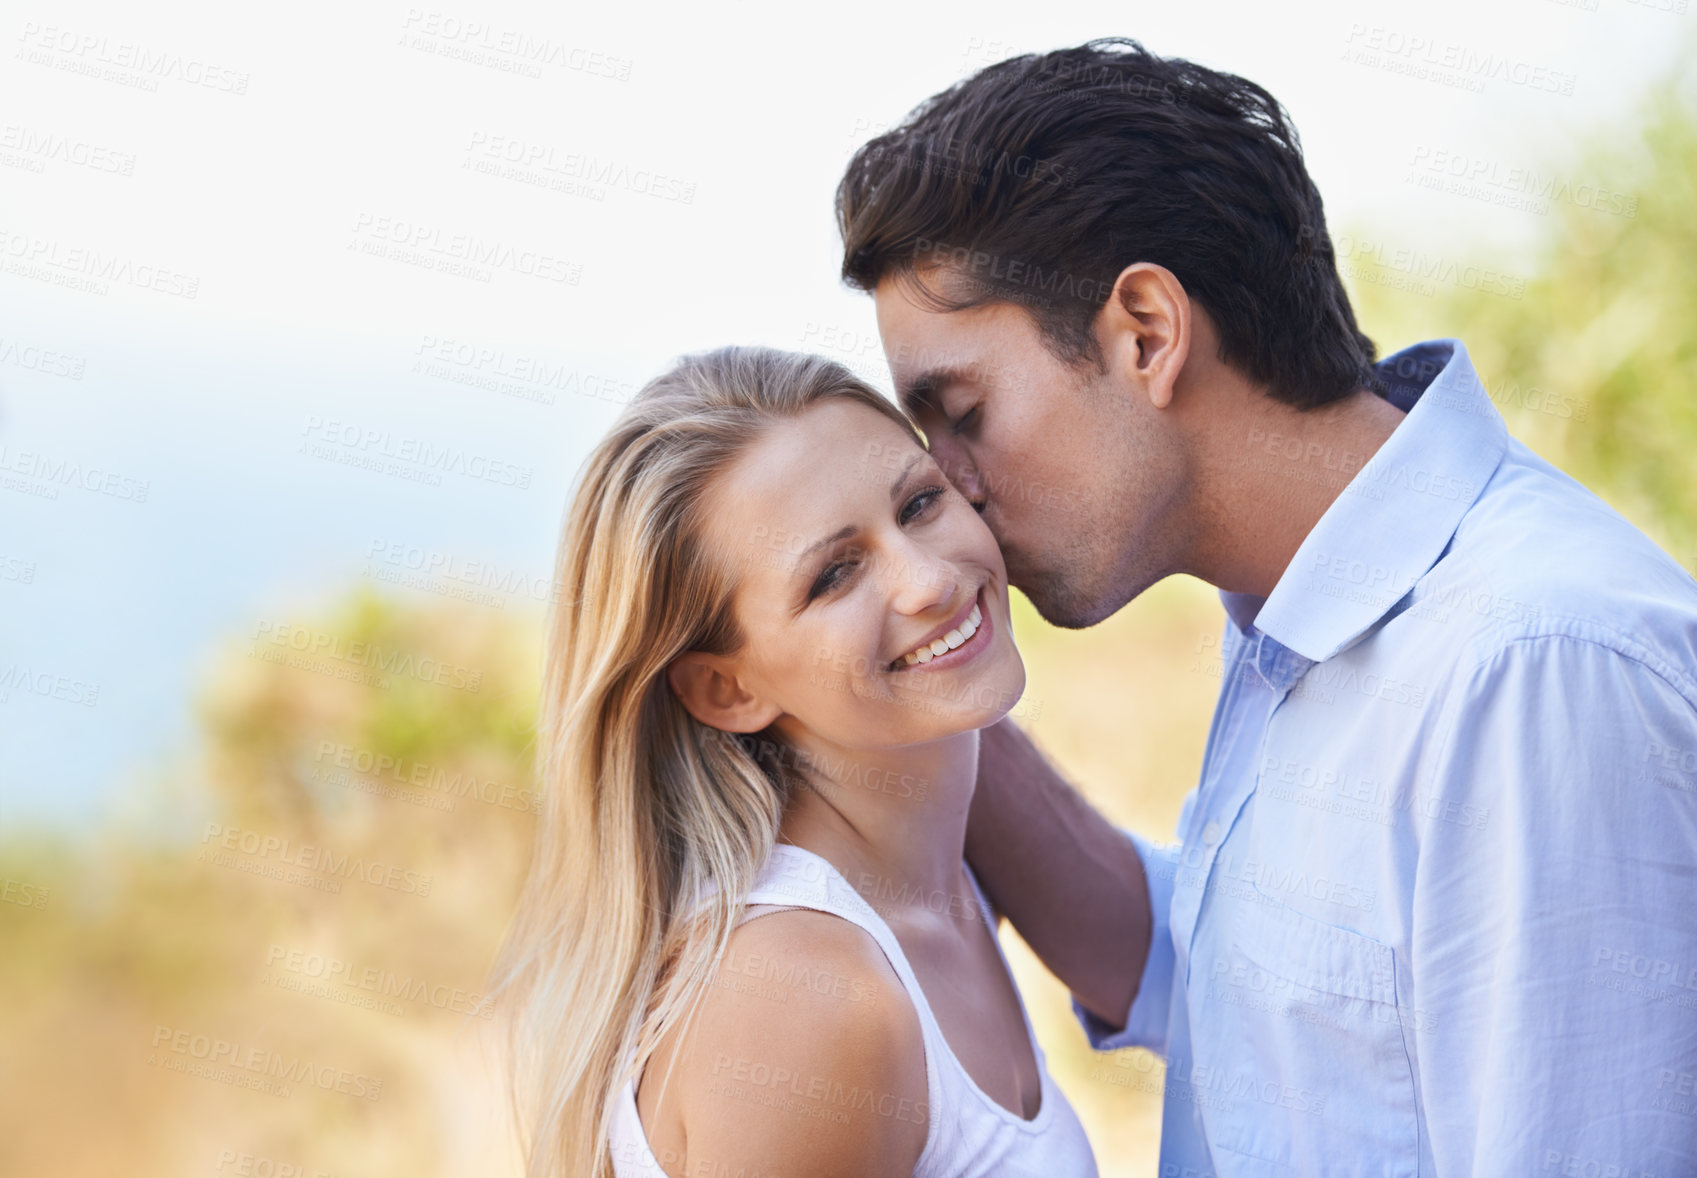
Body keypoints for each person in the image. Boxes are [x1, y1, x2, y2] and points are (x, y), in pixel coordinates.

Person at [836, 37, 1697, 1177]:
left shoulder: (1528, 667)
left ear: (1144, 331)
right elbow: (1246, 990)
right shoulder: (1302, 612)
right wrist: (912, 671)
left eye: (961, 411)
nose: (950, 484)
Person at [490, 346, 1098, 1178]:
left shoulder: (935, 871)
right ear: (725, 689)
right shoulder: (806, 998)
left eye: (919, 503)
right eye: (834, 575)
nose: (927, 581)